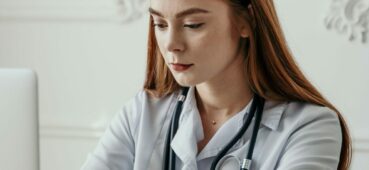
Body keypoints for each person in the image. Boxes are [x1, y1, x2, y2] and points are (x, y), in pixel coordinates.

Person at [81, 0, 352, 169]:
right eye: (160, 24)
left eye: (193, 24)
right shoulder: (141, 113)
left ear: (246, 22)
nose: (171, 44)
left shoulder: (311, 127)